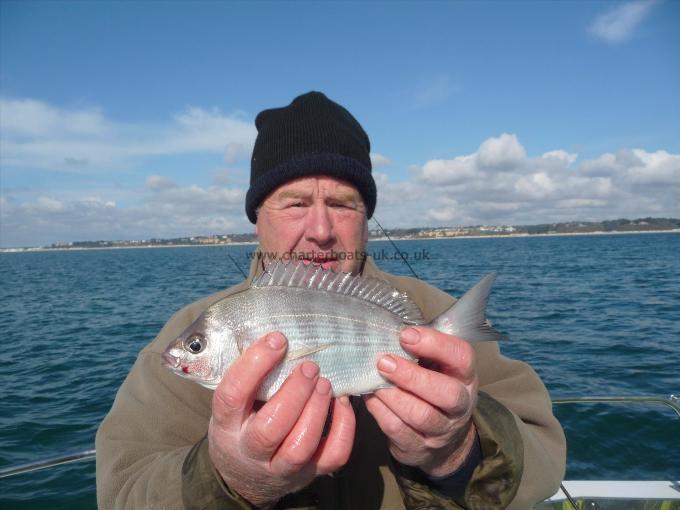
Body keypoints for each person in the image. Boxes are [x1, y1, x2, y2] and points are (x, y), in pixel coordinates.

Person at [96, 91, 566, 509]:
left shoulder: (431, 316)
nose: (320, 231)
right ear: (257, 217)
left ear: (367, 218)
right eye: (295, 203)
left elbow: (546, 455)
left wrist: (461, 450)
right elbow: (120, 489)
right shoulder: (196, 328)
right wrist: (226, 480)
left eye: (342, 204)